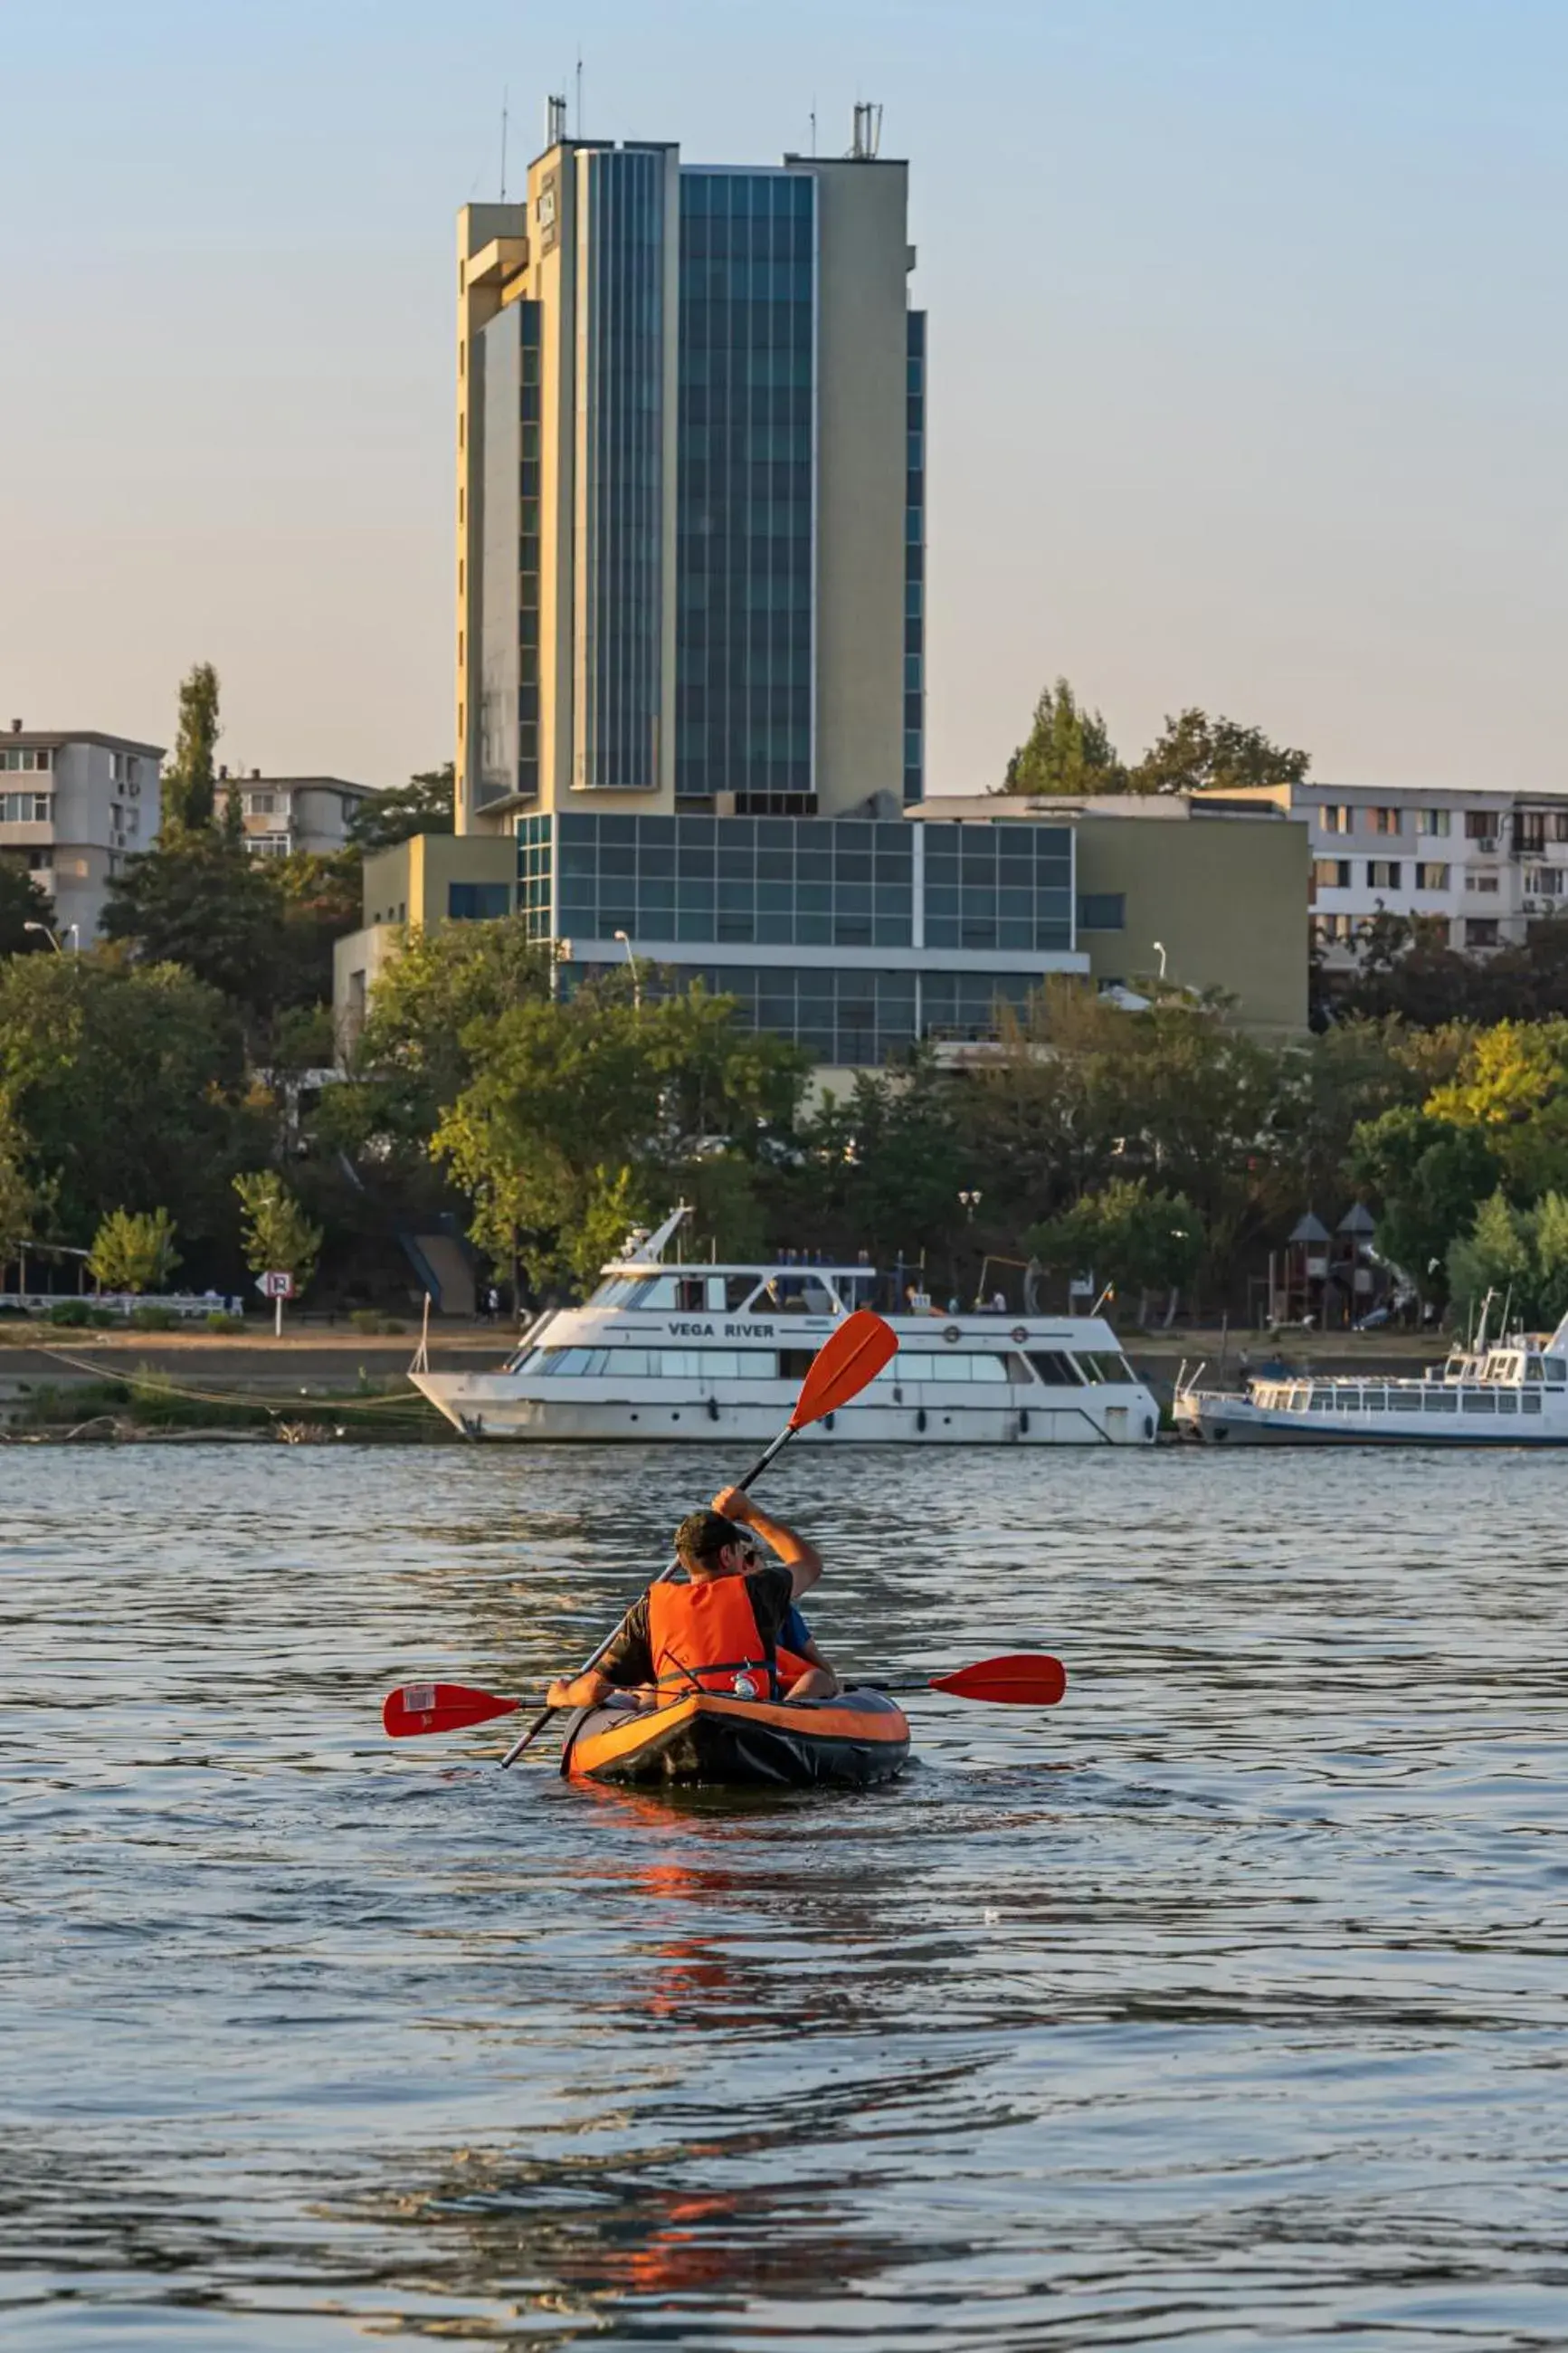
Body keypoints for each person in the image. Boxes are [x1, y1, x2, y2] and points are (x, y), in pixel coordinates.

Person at [546, 1489, 841, 1714]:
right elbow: (809, 1564)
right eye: (742, 1553)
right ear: (727, 1556)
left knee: (648, 1692)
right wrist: (751, 1513)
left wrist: (563, 1695)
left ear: (686, 1565)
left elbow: (597, 1687)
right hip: (753, 1715)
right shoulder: (758, 1590)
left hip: (679, 1715)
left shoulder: (651, 1608)